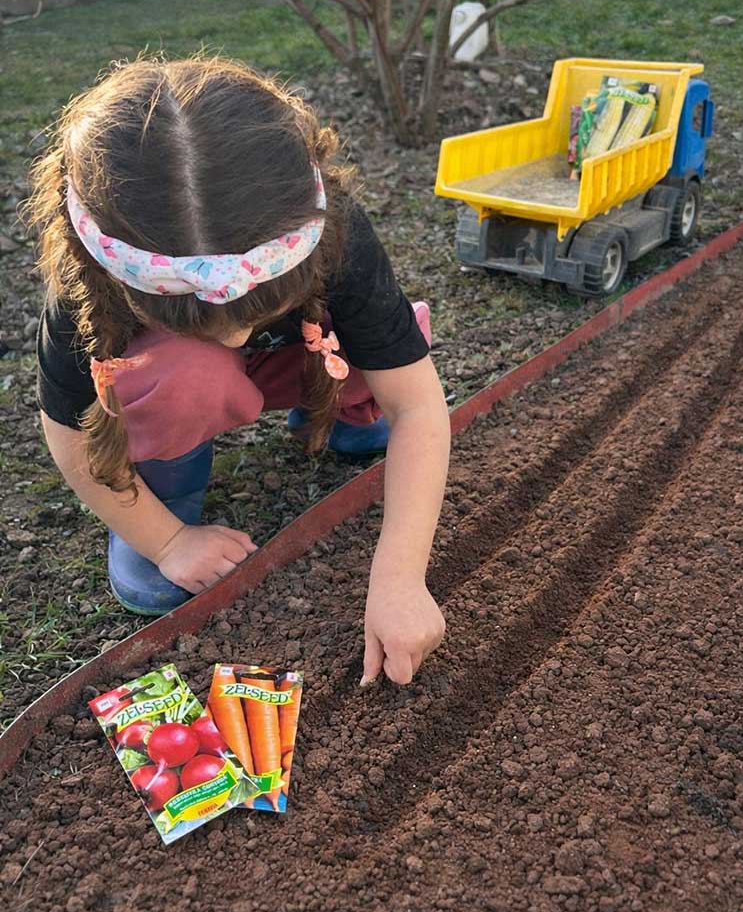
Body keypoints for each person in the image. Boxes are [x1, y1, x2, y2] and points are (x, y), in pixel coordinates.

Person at [28, 56, 449, 686]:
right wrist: (167, 542)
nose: (235, 334)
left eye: (257, 310)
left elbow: (417, 403)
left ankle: (336, 414)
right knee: (186, 370)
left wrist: (400, 576)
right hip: (182, 387)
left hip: (305, 355)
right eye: (202, 319)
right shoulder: (87, 284)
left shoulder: (333, 227)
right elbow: (68, 437)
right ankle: (166, 492)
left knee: (385, 343)